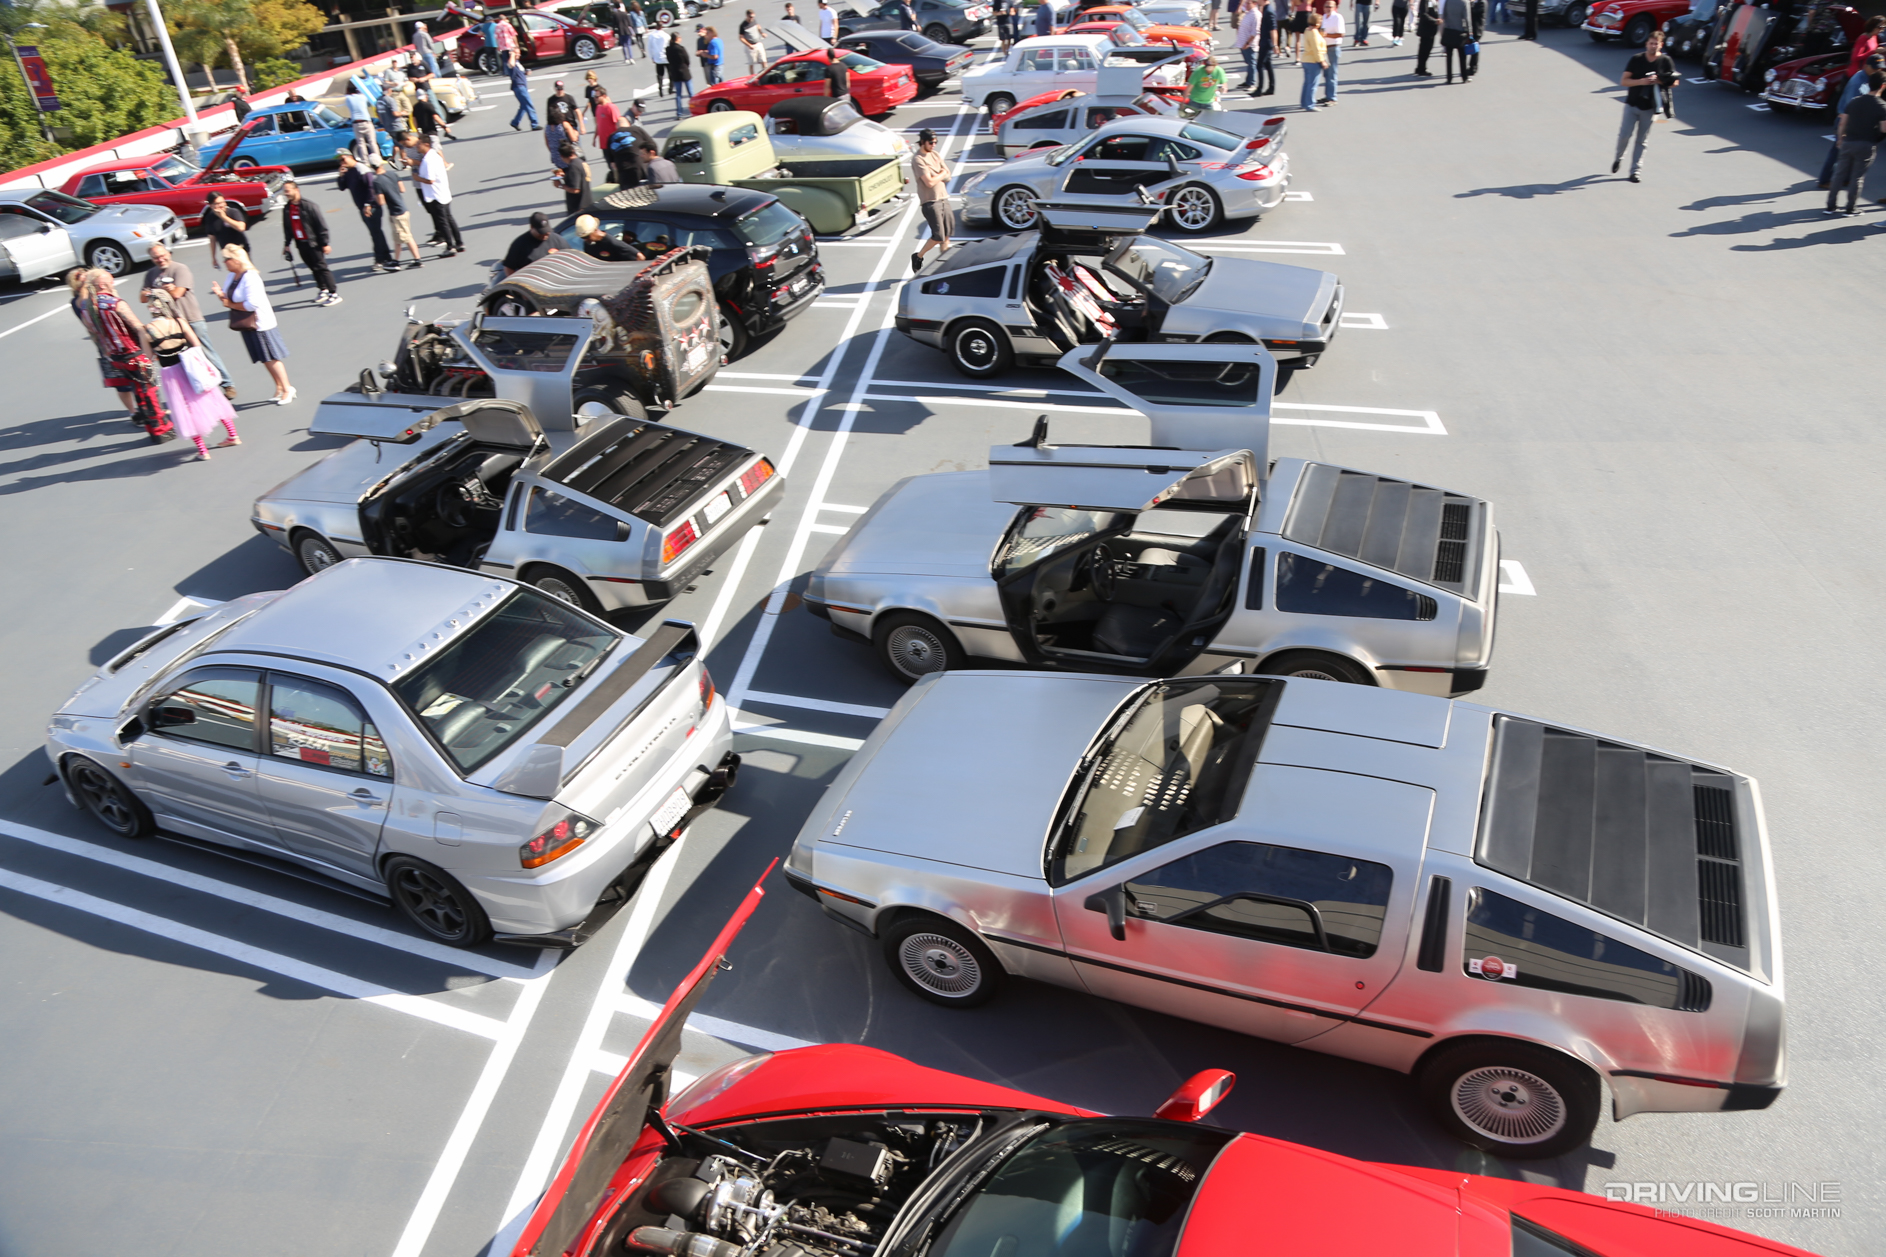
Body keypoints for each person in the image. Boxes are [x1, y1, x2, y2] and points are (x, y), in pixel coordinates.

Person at [76, 269, 172, 439]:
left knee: (138, 390)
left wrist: (108, 352)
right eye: (111, 282)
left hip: (115, 356)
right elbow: (139, 329)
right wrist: (149, 354)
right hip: (133, 352)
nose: (113, 285)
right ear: (102, 284)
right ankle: (160, 429)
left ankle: (151, 427)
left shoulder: (87, 308)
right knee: (149, 391)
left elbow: (93, 332)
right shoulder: (115, 303)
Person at [145, 294, 241, 461]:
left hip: (171, 372)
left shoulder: (146, 330)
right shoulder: (179, 321)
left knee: (185, 409)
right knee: (214, 398)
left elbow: (148, 356)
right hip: (191, 367)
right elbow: (196, 343)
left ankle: (203, 451)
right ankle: (233, 436)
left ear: (152, 308)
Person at [142, 241, 236, 400]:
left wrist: (161, 291)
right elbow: (142, 297)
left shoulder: (180, 269)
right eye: (156, 257)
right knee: (182, 359)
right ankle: (198, 389)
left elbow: (178, 293)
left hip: (191, 319)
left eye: (162, 255)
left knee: (205, 352)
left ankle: (227, 384)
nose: (160, 259)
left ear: (169, 253)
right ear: (152, 259)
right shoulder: (151, 274)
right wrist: (156, 291)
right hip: (170, 326)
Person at [210, 246, 294, 405]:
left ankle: (288, 388)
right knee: (264, 358)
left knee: (272, 357)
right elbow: (229, 299)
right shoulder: (231, 277)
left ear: (236, 260)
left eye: (226, 259)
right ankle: (279, 387)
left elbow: (251, 304)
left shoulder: (251, 277)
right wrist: (221, 295)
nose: (224, 262)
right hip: (247, 324)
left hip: (261, 323)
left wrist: (229, 304)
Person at [1818, 49, 1886, 188]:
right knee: (1838, 150)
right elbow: (1850, 108)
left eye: (1880, 68)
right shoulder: (1857, 82)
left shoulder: (1870, 78)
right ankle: (1825, 180)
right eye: (1875, 68)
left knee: (1851, 153)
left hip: (1855, 122)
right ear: (1866, 66)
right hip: (1847, 120)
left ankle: (1846, 179)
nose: (1877, 71)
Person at [1612, 29, 1673, 181]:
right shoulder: (1637, 59)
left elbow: (1675, 82)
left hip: (1650, 107)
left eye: (1656, 44)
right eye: (1651, 43)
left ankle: (1635, 171)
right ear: (1646, 44)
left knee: (1642, 140)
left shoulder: (1665, 61)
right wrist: (1641, 82)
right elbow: (1624, 81)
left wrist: (1659, 80)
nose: (1653, 46)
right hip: (1632, 104)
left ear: (1661, 45)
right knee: (1624, 136)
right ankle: (1619, 158)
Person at [1827, 72, 1885, 214]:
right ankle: (1850, 208)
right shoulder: (1882, 106)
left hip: (1848, 142)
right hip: (1866, 144)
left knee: (1838, 175)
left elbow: (1842, 123)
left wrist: (1841, 139)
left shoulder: (1855, 101)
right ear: (1882, 86)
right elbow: (1884, 129)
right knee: (1857, 177)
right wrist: (1875, 140)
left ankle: (1830, 206)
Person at [280, 181, 341, 306]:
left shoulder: (309, 206)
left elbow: (321, 225)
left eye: (287, 191)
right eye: (285, 191)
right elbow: (287, 227)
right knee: (313, 268)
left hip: (313, 243)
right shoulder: (287, 208)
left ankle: (334, 293)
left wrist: (325, 243)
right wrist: (287, 244)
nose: (286, 194)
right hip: (301, 243)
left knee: (322, 268)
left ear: (296, 190)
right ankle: (322, 289)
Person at [337, 152, 397, 272]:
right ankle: (386, 257)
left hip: (371, 206)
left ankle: (380, 260)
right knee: (375, 232)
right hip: (362, 207)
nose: (342, 162)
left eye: (343, 159)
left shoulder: (361, 169)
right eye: (339, 161)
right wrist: (341, 175)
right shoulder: (348, 172)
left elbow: (371, 187)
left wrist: (368, 204)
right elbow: (342, 187)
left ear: (350, 157)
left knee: (375, 233)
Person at [413, 134, 464, 254]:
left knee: (443, 221)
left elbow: (430, 180)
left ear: (426, 144)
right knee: (449, 218)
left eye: (418, 144)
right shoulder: (434, 156)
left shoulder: (428, 160)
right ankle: (459, 243)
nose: (416, 146)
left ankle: (450, 247)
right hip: (443, 192)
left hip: (435, 195)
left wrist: (417, 178)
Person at [910, 128, 951, 272]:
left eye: (935, 142)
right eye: (931, 142)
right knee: (938, 235)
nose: (934, 145)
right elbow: (929, 183)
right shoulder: (918, 159)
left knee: (947, 235)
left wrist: (938, 175)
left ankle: (944, 265)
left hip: (943, 197)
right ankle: (918, 256)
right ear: (922, 142)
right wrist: (941, 174)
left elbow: (948, 175)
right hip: (930, 201)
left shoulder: (935, 155)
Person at [373, 156, 425, 269]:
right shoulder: (392, 174)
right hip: (403, 209)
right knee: (398, 238)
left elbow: (381, 202)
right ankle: (396, 261)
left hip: (396, 213)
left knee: (406, 237)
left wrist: (374, 195)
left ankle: (417, 260)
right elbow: (402, 189)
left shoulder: (377, 182)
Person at [503, 210, 568, 274]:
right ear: (531, 227)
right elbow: (509, 268)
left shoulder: (557, 240)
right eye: (541, 232)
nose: (545, 235)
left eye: (547, 231)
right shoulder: (519, 245)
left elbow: (570, 258)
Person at [201, 193, 249, 272]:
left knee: (247, 272)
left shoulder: (233, 212)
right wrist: (213, 257)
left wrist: (223, 217)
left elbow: (241, 227)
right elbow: (212, 239)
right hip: (227, 254)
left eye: (222, 202)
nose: (221, 205)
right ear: (211, 205)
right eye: (217, 203)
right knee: (235, 275)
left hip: (241, 250)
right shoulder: (210, 218)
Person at [1237, 0, 1277, 94]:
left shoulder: (1269, 11)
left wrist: (1275, 44)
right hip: (1264, 41)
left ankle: (1259, 89)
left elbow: (1273, 29)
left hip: (1266, 42)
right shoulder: (1265, 9)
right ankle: (1271, 87)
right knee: (1268, 65)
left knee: (1259, 65)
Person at [573, 212, 647, 260]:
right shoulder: (588, 244)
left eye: (587, 236)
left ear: (595, 230)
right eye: (582, 237)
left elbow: (640, 257)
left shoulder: (612, 243)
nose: (585, 240)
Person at [1299, 10, 1329, 108]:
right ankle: (1310, 104)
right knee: (1313, 85)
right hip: (1313, 61)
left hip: (1306, 59)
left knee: (1307, 83)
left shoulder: (1307, 30)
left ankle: (1304, 102)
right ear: (1317, 23)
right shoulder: (1315, 33)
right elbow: (1316, 49)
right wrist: (1322, 61)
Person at [1184, 52, 1227, 116]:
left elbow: (1224, 84)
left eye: (1210, 70)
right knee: (1192, 119)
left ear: (1215, 66)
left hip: (1208, 102)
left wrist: (1223, 88)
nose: (1208, 71)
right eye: (1207, 69)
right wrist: (1183, 102)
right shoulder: (1198, 71)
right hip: (1195, 101)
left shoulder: (1219, 71)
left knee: (1208, 121)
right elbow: (1189, 87)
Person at [345, 82, 378, 161]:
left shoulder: (348, 98)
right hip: (366, 121)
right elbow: (369, 104)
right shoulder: (363, 97)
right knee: (372, 142)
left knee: (361, 143)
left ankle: (365, 160)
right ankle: (377, 159)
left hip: (356, 122)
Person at [557, 141, 593, 212]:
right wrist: (565, 176)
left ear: (561, 156)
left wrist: (560, 185)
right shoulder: (580, 162)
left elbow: (575, 189)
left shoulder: (573, 167)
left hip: (578, 208)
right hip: (587, 203)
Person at [1440, 0, 1471, 83]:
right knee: (1462, 56)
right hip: (1459, 32)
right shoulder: (1464, 2)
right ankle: (1464, 77)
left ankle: (1449, 78)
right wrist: (1470, 31)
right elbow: (1467, 18)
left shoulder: (1448, 1)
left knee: (1449, 56)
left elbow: (1444, 15)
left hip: (1449, 30)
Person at [1319, 0, 1342, 100]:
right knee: (1326, 73)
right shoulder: (1324, 17)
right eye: (1326, 6)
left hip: (1333, 47)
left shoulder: (1337, 17)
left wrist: (1326, 35)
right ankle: (1327, 95)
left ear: (1334, 7)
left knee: (1332, 73)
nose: (1328, 9)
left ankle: (1332, 97)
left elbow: (1341, 34)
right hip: (1324, 47)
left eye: (1330, 7)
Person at [593, 83, 623, 155]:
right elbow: (598, 125)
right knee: (610, 165)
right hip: (604, 144)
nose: (595, 98)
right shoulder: (598, 108)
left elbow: (619, 124)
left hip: (613, 143)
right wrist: (594, 138)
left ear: (604, 96)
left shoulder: (611, 107)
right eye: (594, 96)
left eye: (597, 96)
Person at [668, 35, 694, 113]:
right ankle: (694, 109)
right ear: (677, 39)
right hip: (684, 72)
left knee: (678, 95)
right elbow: (687, 60)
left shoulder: (668, 49)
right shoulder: (681, 49)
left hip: (675, 73)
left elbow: (669, 60)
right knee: (691, 93)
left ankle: (679, 112)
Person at [1413, 0, 1438, 74]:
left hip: (1431, 29)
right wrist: (1435, 21)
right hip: (1426, 29)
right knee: (1424, 49)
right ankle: (1421, 68)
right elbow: (1424, 14)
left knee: (1427, 49)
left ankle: (1421, 67)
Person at [648, 24, 671, 92]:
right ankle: (671, 88)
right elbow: (669, 45)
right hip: (666, 57)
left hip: (657, 57)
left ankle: (660, 87)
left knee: (660, 74)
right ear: (662, 27)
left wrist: (651, 57)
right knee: (670, 73)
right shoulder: (666, 35)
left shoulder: (652, 36)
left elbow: (649, 47)